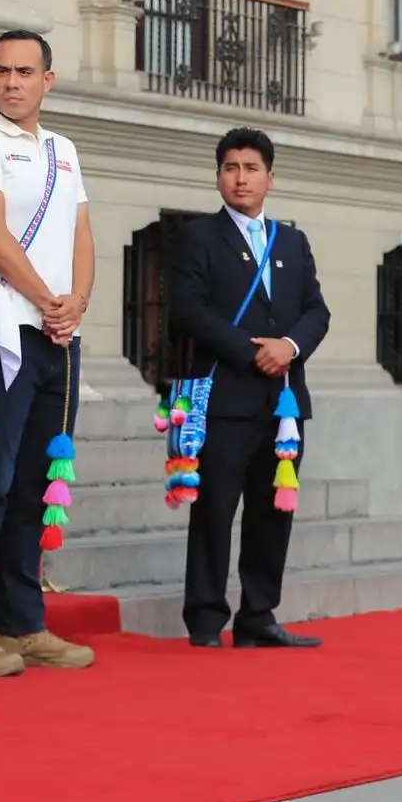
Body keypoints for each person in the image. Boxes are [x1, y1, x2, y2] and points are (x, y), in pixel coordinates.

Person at [0, 30, 97, 678]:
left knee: (36, 482)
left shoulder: (63, 149)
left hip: (59, 334)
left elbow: (83, 233)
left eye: (25, 71)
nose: (11, 82)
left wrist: (76, 301)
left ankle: (24, 622)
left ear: (47, 80)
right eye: (1, 71)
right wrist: (46, 299)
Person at [168, 127, 330, 649]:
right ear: (219, 175)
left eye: (251, 168)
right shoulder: (198, 237)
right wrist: (251, 350)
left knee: (272, 510)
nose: (241, 178)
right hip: (223, 400)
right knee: (214, 510)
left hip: (282, 404)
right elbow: (189, 310)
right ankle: (206, 619)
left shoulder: (293, 240)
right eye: (231, 168)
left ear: (270, 178)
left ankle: (259, 614)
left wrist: (289, 346)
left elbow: (316, 311)